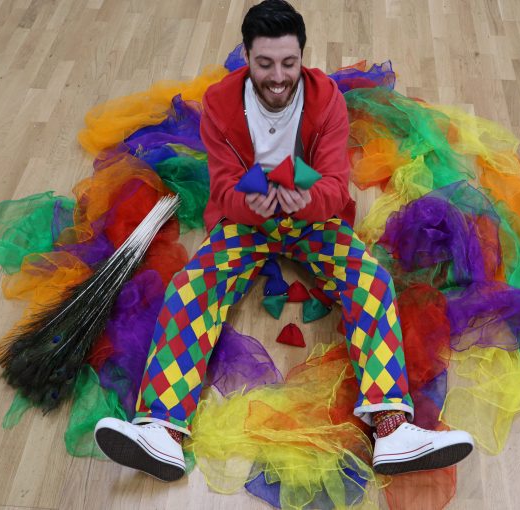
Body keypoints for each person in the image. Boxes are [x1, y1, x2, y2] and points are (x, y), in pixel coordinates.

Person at [94, 0, 474, 482]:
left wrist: (303, 200)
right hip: (245, 221)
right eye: (265, 64)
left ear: (302, 58)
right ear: (247, 57)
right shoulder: (219, 104)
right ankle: (162, 430)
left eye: (288, 63)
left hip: (314, 217)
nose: (277, 77)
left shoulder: (327, 100)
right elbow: (224, 187)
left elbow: (335, 186)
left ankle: (392, 429)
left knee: (372, 281)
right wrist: (253, 203)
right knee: (191, 286)